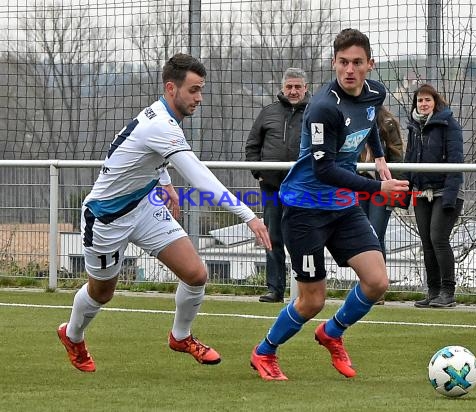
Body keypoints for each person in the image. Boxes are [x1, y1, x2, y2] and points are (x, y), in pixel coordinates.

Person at [57, 53, 271, 372]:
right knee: (102, 293)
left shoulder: (162, 118)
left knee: (196, 274)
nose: (199, 98)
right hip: (106, 218)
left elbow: (143, 156)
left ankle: (180, 336)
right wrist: (249, 216)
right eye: (193, 90)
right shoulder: (162, 125)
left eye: (201, 90)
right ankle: (72, 334)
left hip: (144, 207)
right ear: (171, 88)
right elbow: (199, 176)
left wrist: (165, 181)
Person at [249, 28, 409, 381]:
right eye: (342, 62)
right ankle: (264, 352)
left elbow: (369, 124)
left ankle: (332, 332)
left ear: (370, 65)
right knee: (312, 300)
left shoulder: (375, 93)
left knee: (376, 281)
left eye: (356, 62)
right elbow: (325, 169)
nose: (349, 69)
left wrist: (379, 157)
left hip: (343, 207)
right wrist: (377, 187)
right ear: (333, 63)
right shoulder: (322, 107)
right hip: (306, 209)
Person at [245, 68, 310, 303]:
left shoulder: (314, 113)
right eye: (289, 87)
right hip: (272, 187)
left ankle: (306, 289)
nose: (293, 91)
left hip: (303, 189)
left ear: (305, 88)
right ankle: (275, 289)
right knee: (272, 237)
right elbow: (252, 146)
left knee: (303, 238)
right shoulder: (268, 112)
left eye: (297, 87)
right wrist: (258, 172)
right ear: (283, 88)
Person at [402, 83, 464, 309]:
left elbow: (456, 162)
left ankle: (448, 292)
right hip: (421, 192)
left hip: (446, 192)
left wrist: (450, 196)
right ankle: (433, 291)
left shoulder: (449, 125)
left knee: (438, 239)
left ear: (435, 102)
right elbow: (409, 161)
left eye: (428, 100)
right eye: (420, 100)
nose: (423, 104)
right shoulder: (413, 128)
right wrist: (404, 193)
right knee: (427, 243)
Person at [358, 106, 404, 260]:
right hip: (360, 184)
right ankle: (368, 280)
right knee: (363, 236)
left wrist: (393, 186)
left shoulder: (387, 124)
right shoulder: (352, 121)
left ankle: (377, 280)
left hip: (382, 185)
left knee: (375, 234)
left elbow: (397, 156)